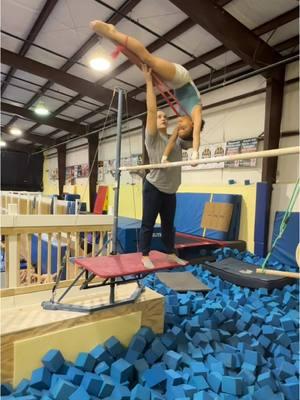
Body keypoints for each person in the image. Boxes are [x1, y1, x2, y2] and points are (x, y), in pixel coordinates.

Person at [90, 21, 203, 161]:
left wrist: (165, 157)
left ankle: (114, 40)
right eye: (184, 128)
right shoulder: (196, 113)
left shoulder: (182, 119)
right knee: (148, 59)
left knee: (143, 66)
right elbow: (197, 134)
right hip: (182, 77)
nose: (179, 126)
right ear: (192, 125)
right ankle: (113, 32)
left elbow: (172, 141)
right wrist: (195, 153)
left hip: (174, 83)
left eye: (180, 129)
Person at [134, 64, 187, 268]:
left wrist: (192, 121)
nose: (163, 118)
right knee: (148, 223)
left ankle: (170, 253)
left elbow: (191, 138)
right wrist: (149, 81)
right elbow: (151, 109)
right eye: (160, 117)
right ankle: (145, 254)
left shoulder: (177, 140)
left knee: (168, 225)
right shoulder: (153, 138)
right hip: (154, 186)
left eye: (165, 117)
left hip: (171, 189)